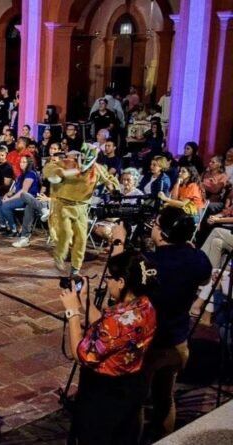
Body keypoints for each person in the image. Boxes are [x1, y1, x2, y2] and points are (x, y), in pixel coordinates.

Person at [110, 208, 211, 440]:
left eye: (155, 224)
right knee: (164, 397)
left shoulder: (148, 262)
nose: (152, 228)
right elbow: (205, 278)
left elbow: (118, 286)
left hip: (148, 345)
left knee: (135, 401)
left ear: (163, 233)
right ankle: (165, 438)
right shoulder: (197, 258)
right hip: (178, 343)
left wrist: (118, 241)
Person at [59, 250, 157, 445]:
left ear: (121, 282)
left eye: (110, 278)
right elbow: (108, 333)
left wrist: (72, 312)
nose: (107, 283)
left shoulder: (116, 322)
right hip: (132, 385)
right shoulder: (145, 306)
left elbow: (82, 355)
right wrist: (85, 301)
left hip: (104, 394)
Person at [44, 144, 118, 275]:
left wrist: (111, 186)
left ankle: (76, 268)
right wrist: (60, 172)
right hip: (63, 205)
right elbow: (49, 168)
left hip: (82, 208)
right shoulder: (68, 163)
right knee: (66, 233)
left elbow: (112, 182)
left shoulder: (98, 170)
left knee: (82, 238)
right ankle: (59, 256)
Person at [0, 155, 40, 237]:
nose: (21, 164)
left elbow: (23, 191)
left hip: (27, 199)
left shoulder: (31, 174)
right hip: (19, 196)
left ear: (29, 163)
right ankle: (4, 225)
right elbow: (15, 189)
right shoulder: (21, 175)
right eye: (20, 162)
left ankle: (13, 229)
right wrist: (7, 194)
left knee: (5, 205)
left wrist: (9, 200)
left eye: (24, 162)